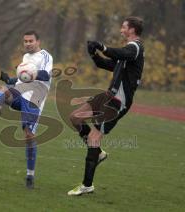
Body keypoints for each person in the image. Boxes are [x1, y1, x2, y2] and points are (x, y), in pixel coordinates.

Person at [68, 16, 144, 196]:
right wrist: (94, 53)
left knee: (94, 137)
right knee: (74, 117)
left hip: (118, 102)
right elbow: (105, 63)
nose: (121, 29)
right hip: (109, 95)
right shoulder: (127, 51)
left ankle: (87, 185)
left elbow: (121, 53)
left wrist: (102, 46)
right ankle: (99, 153)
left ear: (132, 29)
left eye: (124, 27)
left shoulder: (135, 47)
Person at [0, 30, 53, 189]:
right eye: (25, 41)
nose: (27, 44)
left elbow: (46, 76)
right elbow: (23, 77)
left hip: (35, 99)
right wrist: (10, 79)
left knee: (28, 136)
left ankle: (30, 175)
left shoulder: (46, 56)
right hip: (21, 92)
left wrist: (31, 74)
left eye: (30, 41)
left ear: (38, 41)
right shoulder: (26, 57)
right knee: (2, 89)